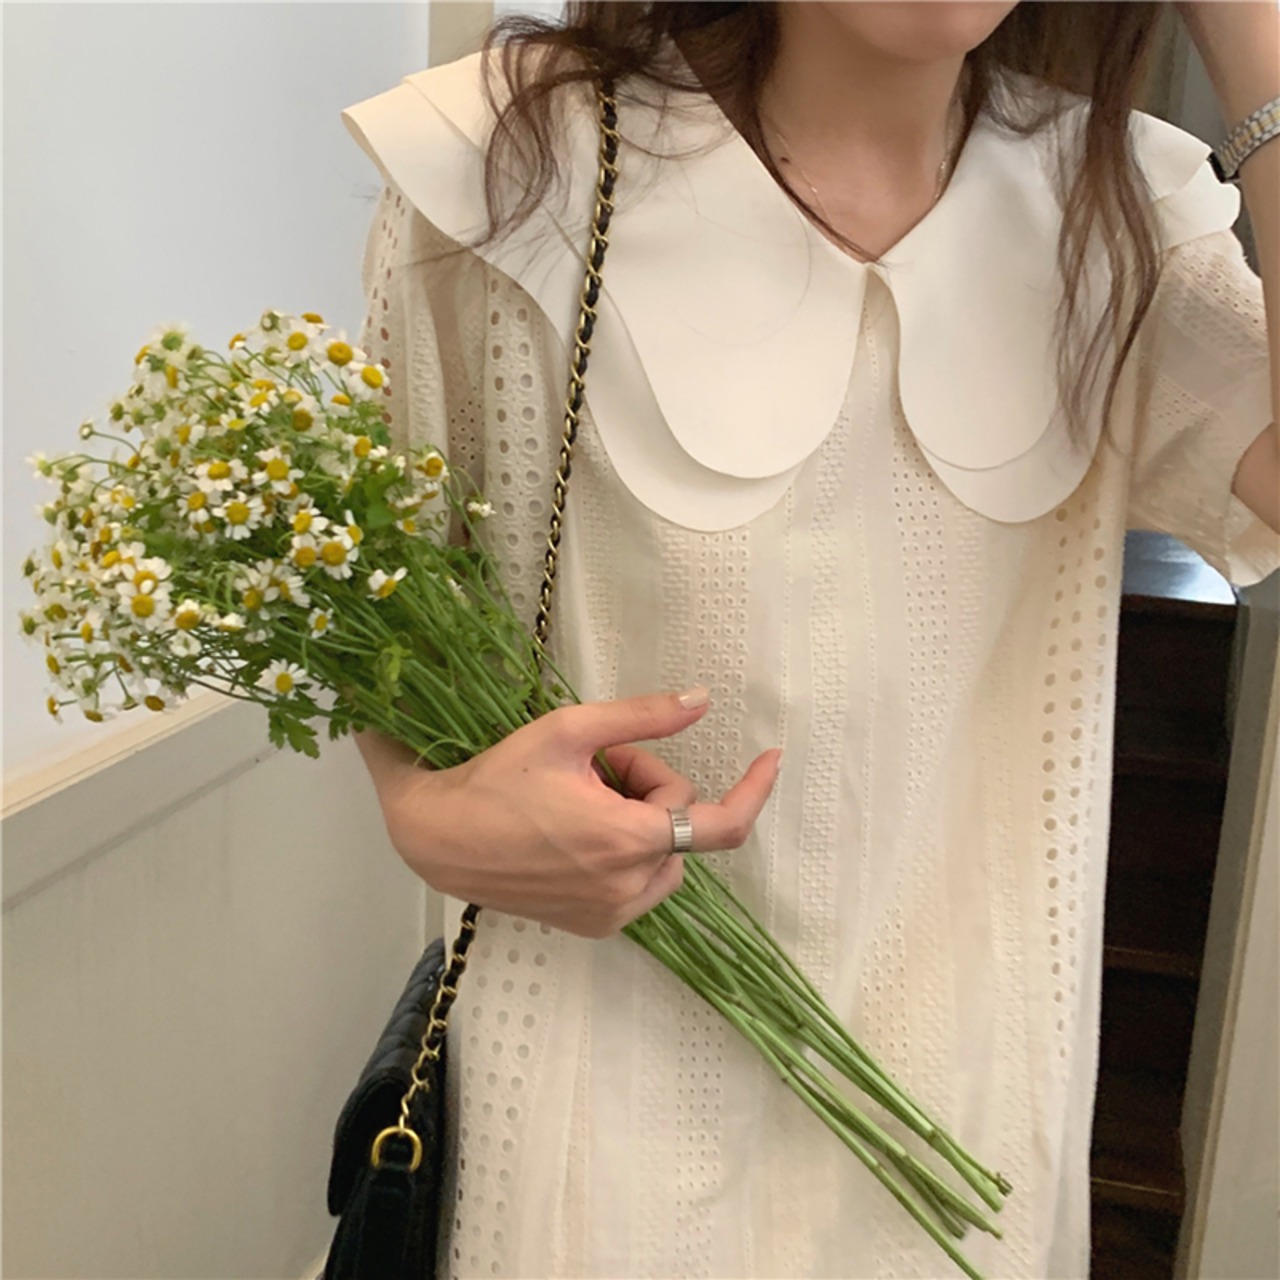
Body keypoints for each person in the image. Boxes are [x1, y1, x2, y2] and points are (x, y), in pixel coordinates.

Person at [340, 3, 1280, 1275]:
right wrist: (420, 810)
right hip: (594, 1144)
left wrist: (1252, 45)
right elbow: (375, 604)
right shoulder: (505, 167)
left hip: (973, 1138)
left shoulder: (1114, 211)